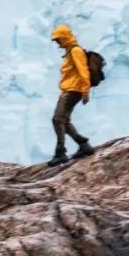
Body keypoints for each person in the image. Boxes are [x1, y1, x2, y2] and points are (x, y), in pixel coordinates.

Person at [48, 24, 94, 165]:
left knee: (57, 119)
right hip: (70, 90)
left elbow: (83, 71)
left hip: (73, 91)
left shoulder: (75, 51)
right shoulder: (70, 51)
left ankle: (60, 152)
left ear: (65, 37)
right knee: (65, 121)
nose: (57, 43)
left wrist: (85, 91)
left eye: (58, 40)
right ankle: (84, 145)